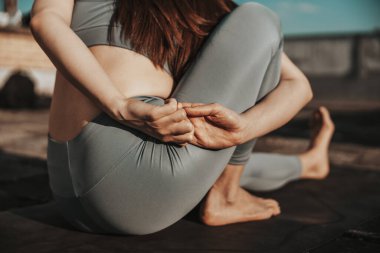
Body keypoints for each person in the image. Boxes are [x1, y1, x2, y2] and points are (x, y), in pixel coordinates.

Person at [30, 0, 335, 235]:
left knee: (212, 165)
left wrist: (240, 132)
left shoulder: (212, 8)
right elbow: (45, 21)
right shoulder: (217, 10)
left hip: (70, 190)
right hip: (139, 183)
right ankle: (225, 196)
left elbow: (299, 87)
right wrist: (119, 105)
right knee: (260, 19)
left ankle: (308, 163)